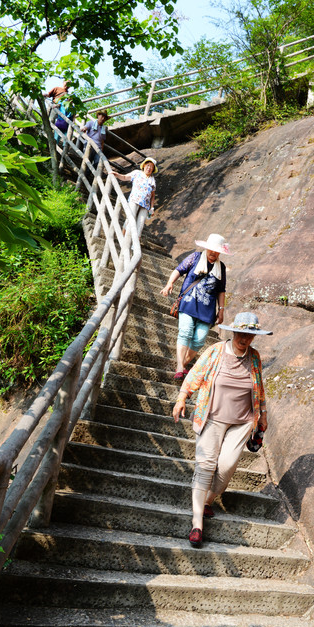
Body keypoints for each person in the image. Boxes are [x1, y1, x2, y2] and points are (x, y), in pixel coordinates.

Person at [172, 312, 272, 548]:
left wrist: (263, 416)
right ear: (233, 331)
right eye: (241, 333)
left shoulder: (254, 357)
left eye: (250, 335)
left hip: (242, 422)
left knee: (226, 467)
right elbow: (195, 375)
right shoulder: (216, 351)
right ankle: (197, 524)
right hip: (212, 417)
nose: (244, 339)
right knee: (206, 465)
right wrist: (182, 398)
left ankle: (209, 499)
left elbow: (258, 390)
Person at [161, 233, 231, 380]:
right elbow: (179, 270)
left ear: (220, 252)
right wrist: (169, 284)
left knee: (199, 339)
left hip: (207, 309)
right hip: (188, 303)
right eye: (211, 250)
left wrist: (221, 310)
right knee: (185, 331)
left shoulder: (221, 267)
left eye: (216, 251)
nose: (213, 253)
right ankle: (180, 368)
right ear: (206, 248)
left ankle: (182, 365)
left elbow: (221, 290)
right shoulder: (195, 257)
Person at [111, 156, 157, 237]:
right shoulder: (137, 173)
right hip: (134, 200)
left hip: (145, 206)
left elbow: (152, 195)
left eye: (151, 167)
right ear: (144, 165)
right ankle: (123, 237)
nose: (149, 168)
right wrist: (117, 175)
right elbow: (125, 177)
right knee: (130, 219)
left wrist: (152, 207)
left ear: (153, 169)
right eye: (148, 165)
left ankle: (134, 245)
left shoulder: (152, 180)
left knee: (140, 224)